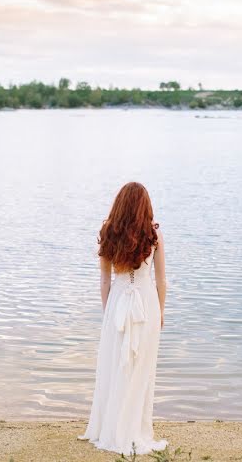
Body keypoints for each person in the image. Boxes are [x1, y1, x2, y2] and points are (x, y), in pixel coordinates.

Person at [77, 182, 168, 454]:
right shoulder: (154, 235)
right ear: (146, 205)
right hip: (146, 303)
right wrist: (161, 312)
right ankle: (134, 429)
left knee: (115, 366)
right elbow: (162, 280)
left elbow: (104, 280)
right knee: (141, 368)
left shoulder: (108, 232)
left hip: (117, 302)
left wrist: (108, 313)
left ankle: (112, 427)